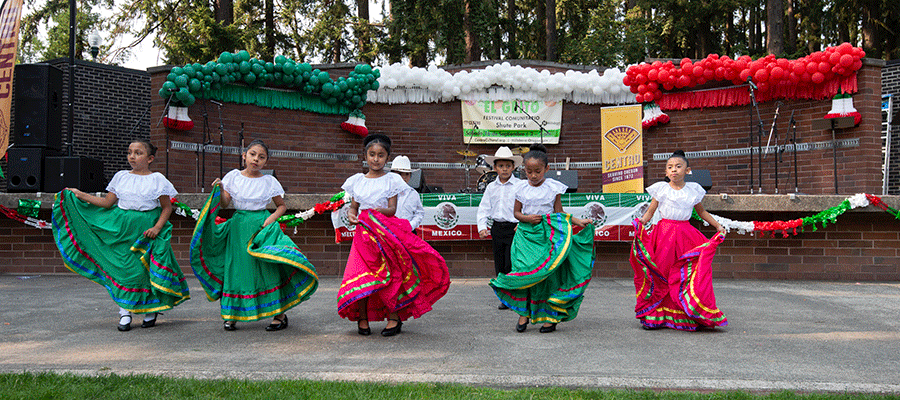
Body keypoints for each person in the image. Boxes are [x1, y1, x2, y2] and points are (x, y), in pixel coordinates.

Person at [52, 140, 190, 331]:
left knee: (143, 271)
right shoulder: (121, 177)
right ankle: (124, 312)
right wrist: (80, 195)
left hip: (145, 230)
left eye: (138, 153)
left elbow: (167, 207)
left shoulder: (157, 179)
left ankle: (150, 311)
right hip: (121, 228)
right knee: (124, 270)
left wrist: (157, 228)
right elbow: (107, 203)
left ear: (150, 158)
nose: (132, 156)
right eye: (129, 152)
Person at [189, 139, 318, 331]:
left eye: (261, 157)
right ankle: (232, 314)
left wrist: (270, 220)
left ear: (266, 162)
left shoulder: (269, 181)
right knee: (238, 269)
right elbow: (224, 204)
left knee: (266, 269)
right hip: (238, 228)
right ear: (244, 155)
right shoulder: (233, 177)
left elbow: (282, 206)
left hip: (261, 229)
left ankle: (279, 315)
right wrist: (220, 188)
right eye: (252, 154)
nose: (256, 159)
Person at [337, 133, 450, 337]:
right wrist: (353, 215)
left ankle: (394, 317)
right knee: (361, 276)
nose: (376, 159)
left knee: (390, 274)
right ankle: (362, 317)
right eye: (372, 154)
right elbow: (353, 207)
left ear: (387, 158)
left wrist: (376, 211)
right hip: (363, 236)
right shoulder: (357, 181)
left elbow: (392, 209)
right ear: (365, 155)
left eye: (381, 155)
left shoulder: (392, 181)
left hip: (384, 233)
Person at [489, 143, 595, 333]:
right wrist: (527, 218)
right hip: (525, 237)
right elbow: (516, 213)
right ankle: (524, 314)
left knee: (547, 276)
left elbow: (558, 213)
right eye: (529, 171)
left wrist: (577, 222)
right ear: (524, 170)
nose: (533, 175)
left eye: (537, 171)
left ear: (546, 169)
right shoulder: (521, 188)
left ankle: (550, 317)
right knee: (524, 273)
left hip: (547, 236)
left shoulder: (553, 188)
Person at [631, 150, 728, 331]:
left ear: (687, 170)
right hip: (664, 235)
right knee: (664, 273)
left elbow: (701, 212)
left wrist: (717, 226)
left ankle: (685, 312)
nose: (673, 170)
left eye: (678, 166)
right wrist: (642, 222)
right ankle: (657, 314)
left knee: (685, 274)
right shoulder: (661, 189)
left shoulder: (693, 191)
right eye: (670, 167)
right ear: (666, 172)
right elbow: (651, 211)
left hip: (685, 235)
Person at [476, 146, 523, 310]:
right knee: (500, 263)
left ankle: (514, 295)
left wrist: (522, 223)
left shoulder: (520, 185)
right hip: (497, 229)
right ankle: (504, 296)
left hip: (514, 229)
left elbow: (527, 205)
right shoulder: (491, 187)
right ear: (495, 168)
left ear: (513, 167)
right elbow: (484, 208)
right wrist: (482, 226)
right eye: (501, 166)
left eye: (508, 166)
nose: (504, 169)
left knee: (512, 262)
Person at [390, 155, 424, 231]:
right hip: (389, 232)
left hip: (408, 232)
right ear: (392, 175)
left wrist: (411, 225)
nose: (404, 177)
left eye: (407, 174)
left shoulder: (413, 193)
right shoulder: (385, 192)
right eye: (400, 174)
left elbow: (419, 213)